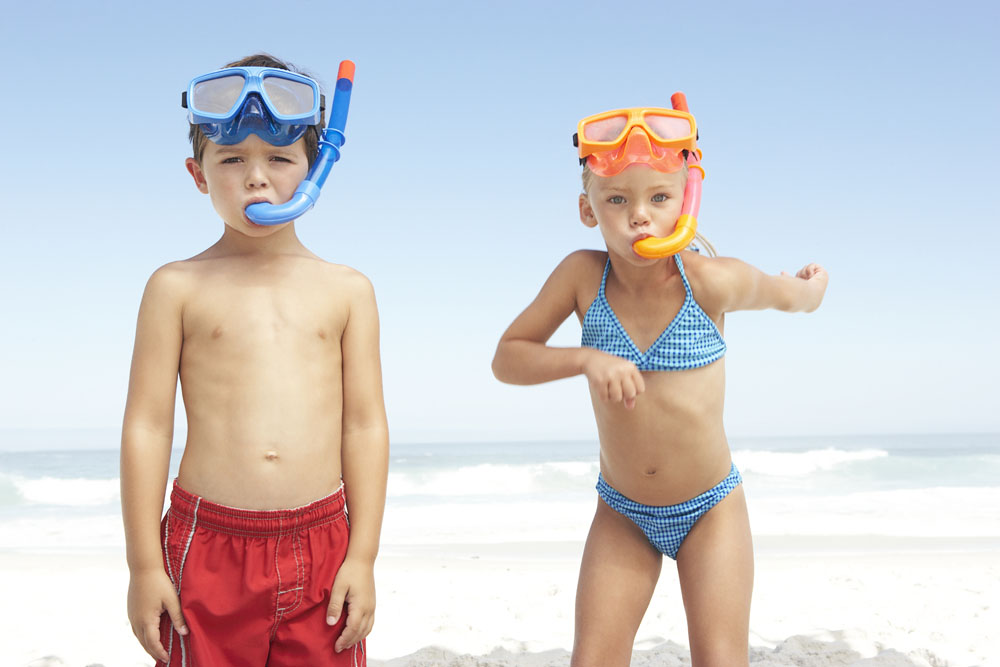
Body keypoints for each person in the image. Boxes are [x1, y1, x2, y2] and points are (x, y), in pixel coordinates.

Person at [492, 104, 828, 666]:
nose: (639, 217)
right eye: (617, 200)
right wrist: (584, 359)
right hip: (622, 512)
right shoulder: (581, 276)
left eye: (659, 197)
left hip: (710, 511)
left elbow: (791, 297)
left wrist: (813, 286)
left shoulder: (711, 281)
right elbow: (507, 358)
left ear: (687, 202)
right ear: (587, 208)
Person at [121, 53, 388, 667]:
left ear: (316, 169)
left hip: (323, 541)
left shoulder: (348, 290)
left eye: (280, 159)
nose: (257, 179)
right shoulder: (175, 287)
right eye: (232, 160)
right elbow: (147, 426)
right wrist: (143, 566)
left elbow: (364, 425)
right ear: (198, 174)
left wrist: (363, 555)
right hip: (206, 543)